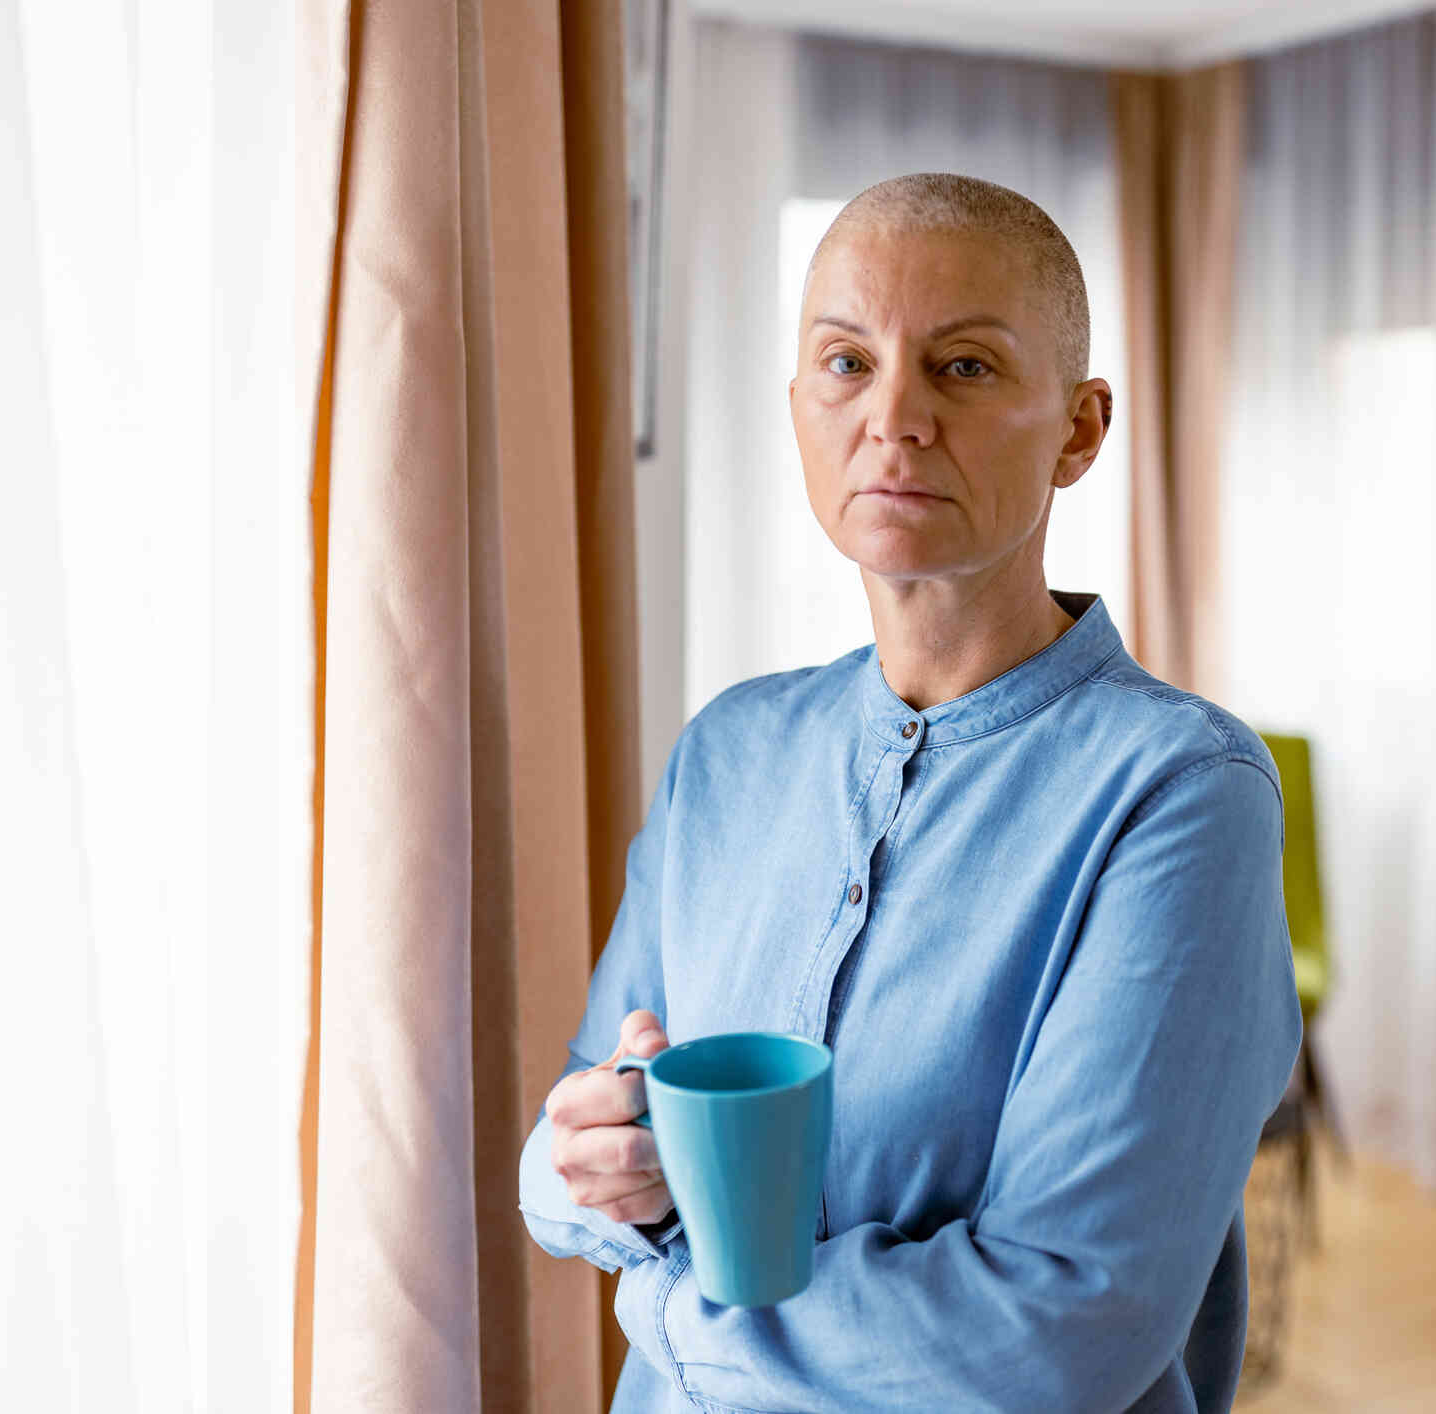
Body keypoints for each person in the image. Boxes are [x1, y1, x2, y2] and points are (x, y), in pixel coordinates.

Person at [518, 172, 1301, 1413]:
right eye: (845, 362)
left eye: (965, 368)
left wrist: (666, 1303)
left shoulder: (1178, 794)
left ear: (1079, 429)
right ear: (796, 409)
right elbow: (576, 1134)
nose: (894, 417)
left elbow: (1060, 1323)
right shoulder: (725, 753)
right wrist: (588, 1164)